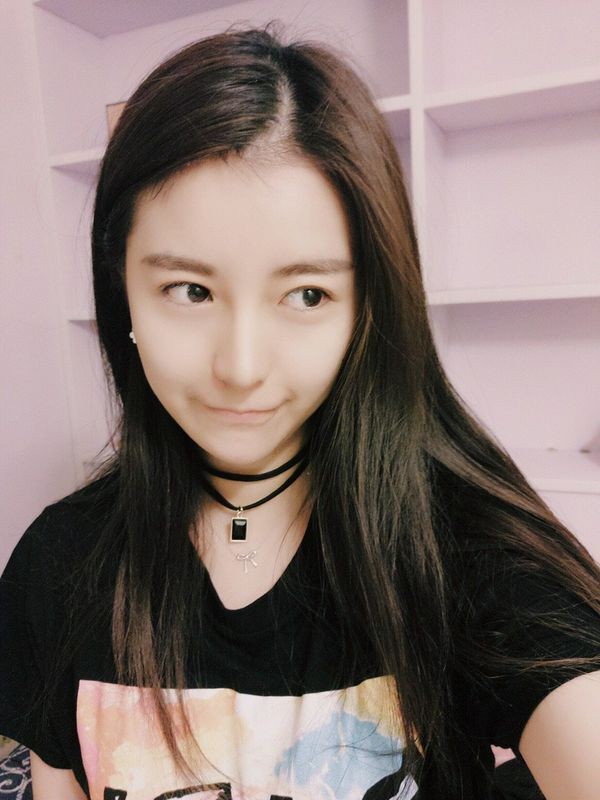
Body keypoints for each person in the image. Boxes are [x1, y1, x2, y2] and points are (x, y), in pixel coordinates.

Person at [1, 20, 599, 800]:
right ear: (125, 298)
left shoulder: (456, 549)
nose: (242, 367)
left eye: (307, 294)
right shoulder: (58, 565)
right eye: (190, 290)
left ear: (366, 309)